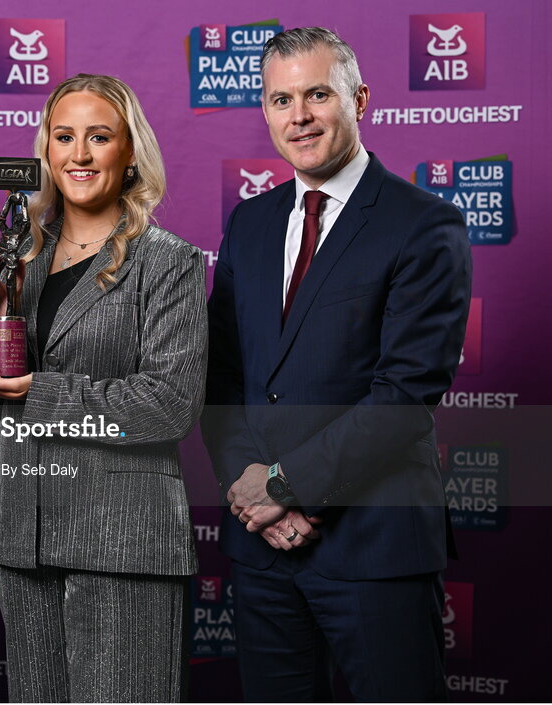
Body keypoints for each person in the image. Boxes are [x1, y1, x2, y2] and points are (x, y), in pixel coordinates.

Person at [203, 27, 471, 701]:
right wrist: (249, 486)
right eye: (279, 99)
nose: (297, 116)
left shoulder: (422, 224)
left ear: (359, 99)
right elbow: (224, 375)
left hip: (375, 544)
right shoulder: (250, 224)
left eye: (317, 94)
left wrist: (285, 486)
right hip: (262, 549)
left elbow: (405, 393)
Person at [0, 74, 207, 702]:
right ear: (46, 152)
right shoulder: (16, 257)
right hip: (19, 530)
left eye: (99, 137)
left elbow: (169, 406)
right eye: (64, 137)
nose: (80, 155)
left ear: (129, 151)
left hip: (121, 537)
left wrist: (37, 393)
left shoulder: (166, 261)